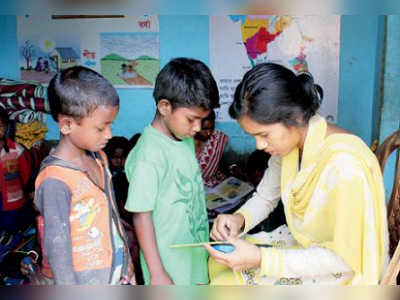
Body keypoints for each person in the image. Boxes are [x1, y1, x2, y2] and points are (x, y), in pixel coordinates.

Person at [206, 63, 388, 285]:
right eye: (252, 136)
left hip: (345, 273)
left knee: (221, 285)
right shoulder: (290, 147)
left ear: (297, 118)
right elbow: (266, 197)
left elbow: (346, 258)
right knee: (216, 262)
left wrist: (261, 259)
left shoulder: (345, 166)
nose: (259, 145)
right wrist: (239, 219)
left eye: (264, 134)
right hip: (312, 247)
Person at [33, 66, 135, 285]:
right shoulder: (55, 179)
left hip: (115, 273)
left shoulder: (99, 158)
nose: (110, 134)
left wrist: (128, 266)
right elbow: (57, 247)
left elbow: (113, 217)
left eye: (111, 125)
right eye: (101, 128)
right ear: (67, 125)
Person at [124, 58, 220, 285]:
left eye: (202, 120)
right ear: (164, 106)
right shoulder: (149, 155)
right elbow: (141, 215)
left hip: (193, 254)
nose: (197, 128)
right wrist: (157, 272)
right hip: (168, 265)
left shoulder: (182, 138)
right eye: (191, 119)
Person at [0, 107, 33, 239]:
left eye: (0, 126)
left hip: (12, 201)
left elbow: (26, 176)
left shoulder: (17, 150)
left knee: (12, 232)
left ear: (6, 127)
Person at [195, 110, 229, 188]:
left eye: (212, 128)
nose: (209, 133)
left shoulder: (217, 139)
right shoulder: (184, 141)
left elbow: (219, 163)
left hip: (212, 184)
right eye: (204, 129)